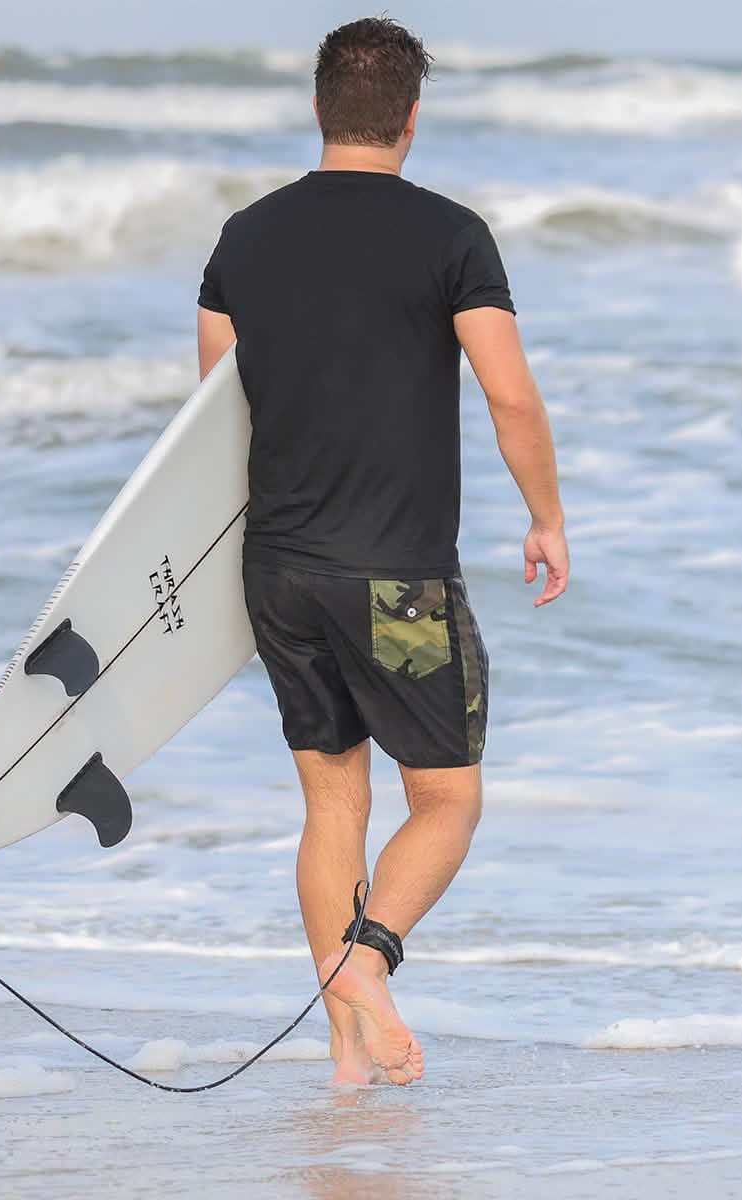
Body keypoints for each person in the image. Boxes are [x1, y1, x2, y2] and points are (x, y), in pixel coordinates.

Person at [195, 16, 569, 1087]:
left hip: (280, 570)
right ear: (411, 118)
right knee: (447, 800)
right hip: (397, 580)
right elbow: (508, 393)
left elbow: (214, 417)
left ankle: (346, 1053)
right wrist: (545, 515)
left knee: (331, 804)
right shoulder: (451, 236)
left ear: (320, 112)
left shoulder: (244, 237)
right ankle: (370, 964)